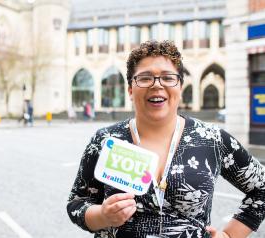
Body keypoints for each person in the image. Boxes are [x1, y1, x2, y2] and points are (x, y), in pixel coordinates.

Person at [66, 41, 265, 238]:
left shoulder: (212, 139)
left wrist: (230, 235)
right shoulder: (106, 140)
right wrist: (102, 216)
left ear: (180, 86)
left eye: (168, 78)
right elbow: (77, 202)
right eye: (145, 78)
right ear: (130, 89)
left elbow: (261, 187)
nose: (157, 85)